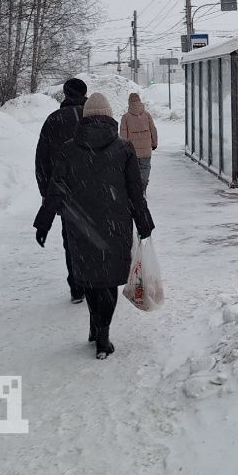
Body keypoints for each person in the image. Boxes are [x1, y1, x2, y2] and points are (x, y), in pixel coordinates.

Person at [34, 93, 155, 359]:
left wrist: (44, 223)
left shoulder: (68, 148)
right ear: (110, 116)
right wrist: (143, 223)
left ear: (85, 118)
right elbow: (135, 192)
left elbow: (56, 189)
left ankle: (95, 324)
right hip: (115, 225)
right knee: (109, 281)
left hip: (80, 225)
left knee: (90, 279)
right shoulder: (124, 148)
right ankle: (103, 334)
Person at [35, 78, 88, 304]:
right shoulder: (95, 118)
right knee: (97, 236)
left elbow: (42, 160)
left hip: (65, 191)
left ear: (65, 94)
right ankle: (96, 281)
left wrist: (48, 193)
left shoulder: (53, 120)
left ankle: (77, 286)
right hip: (98, 189)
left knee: (72, 239)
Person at [119, 93, 158, 191]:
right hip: (146, 149)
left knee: (133, 170)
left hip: (132, 150)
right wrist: (154, 143)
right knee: (145, 167)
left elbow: (123, 134)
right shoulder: (146, 115)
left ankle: (136, 188)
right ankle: (143, 185)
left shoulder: (126, 117)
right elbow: (153, 130)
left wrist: (123, 147)